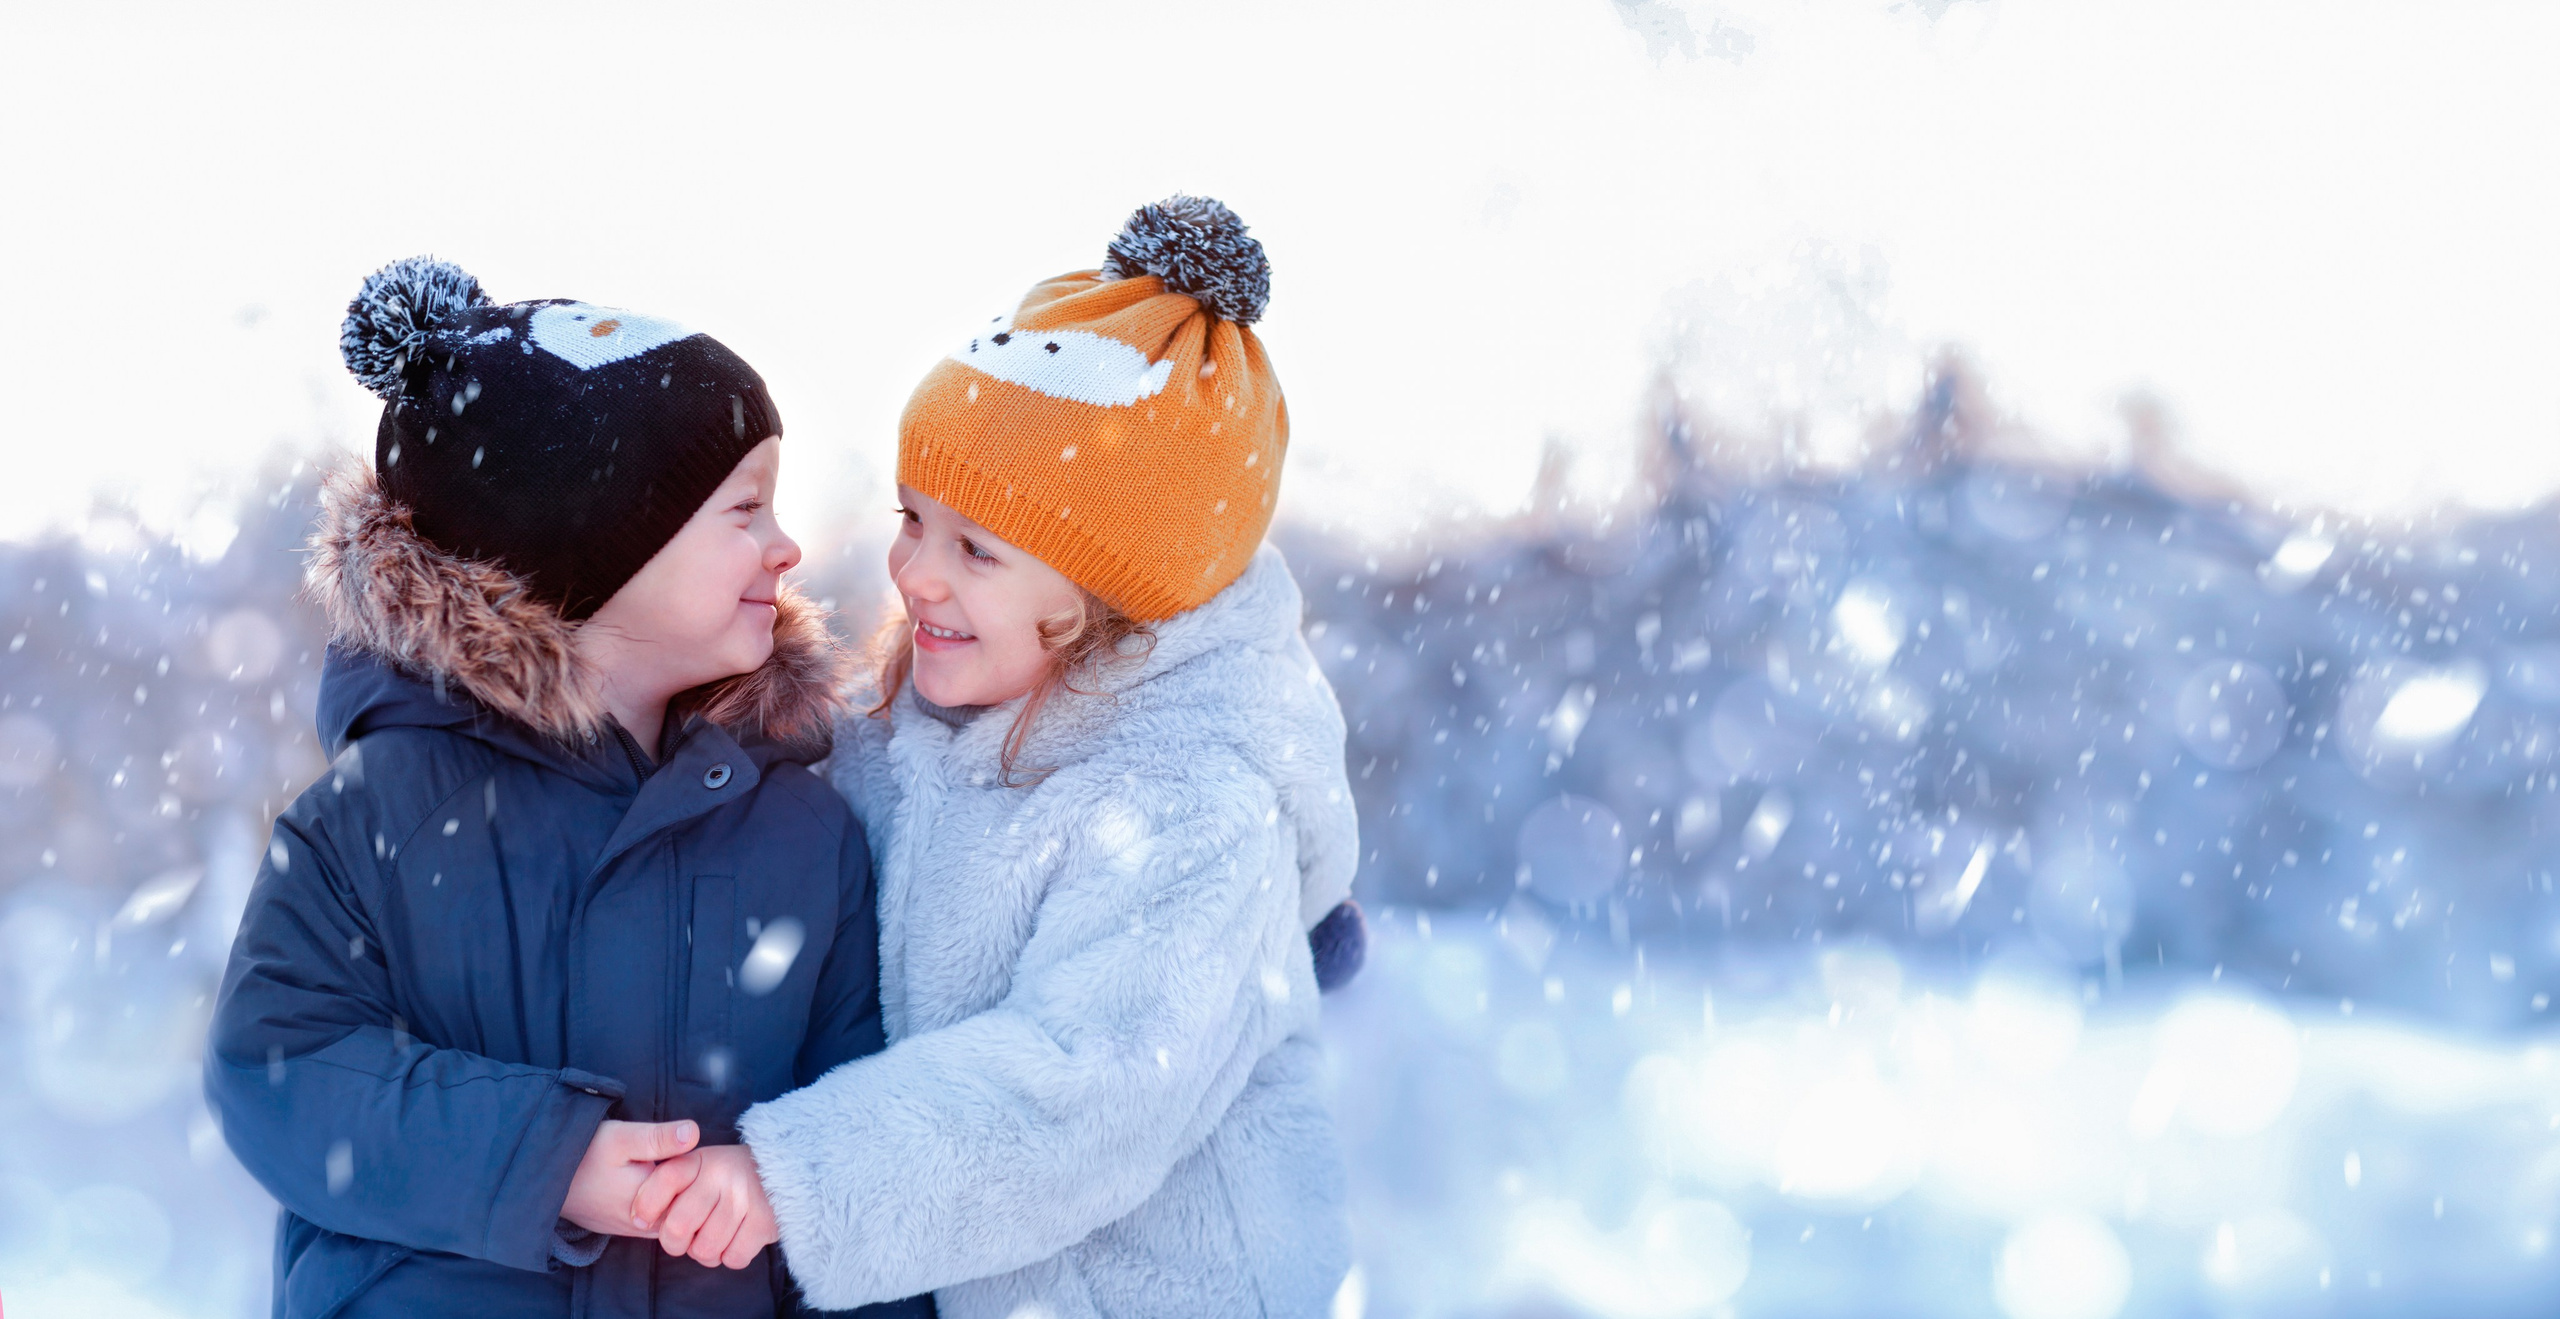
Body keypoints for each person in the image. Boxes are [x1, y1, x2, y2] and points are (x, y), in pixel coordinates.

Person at [636, 196, 1367, 1317]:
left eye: (976, 548)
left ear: (1112, 597)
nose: (915, 571)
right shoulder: (916, 729)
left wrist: (798, 1178)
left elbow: (1080, 1095)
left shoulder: (1194, 808)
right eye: (913, 519)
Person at [203, 258, 928, 1318]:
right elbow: (281, 1067)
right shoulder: (376, 814)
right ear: (598, 546)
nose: (787, 546)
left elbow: (861, 1150)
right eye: (745, 508)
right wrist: (549, 1160)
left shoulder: (805, 834)